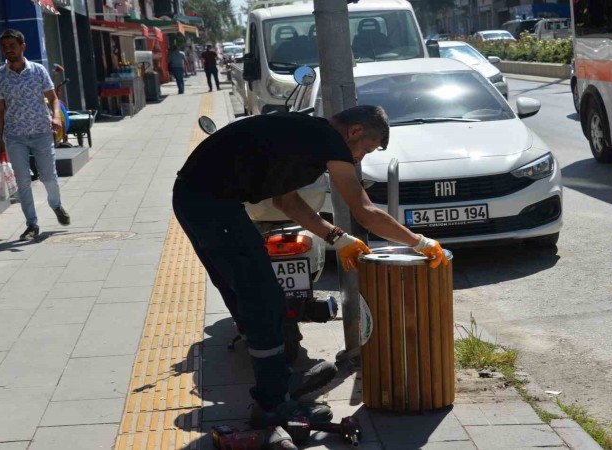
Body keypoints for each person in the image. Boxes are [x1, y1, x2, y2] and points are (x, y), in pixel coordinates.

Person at [173, 106, 447, 426]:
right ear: (355, 131)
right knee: (264, 300)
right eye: (365, 150)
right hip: (211, 205)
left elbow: (286, 201)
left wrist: (336, 237)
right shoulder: (326, 139)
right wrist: (419, 242)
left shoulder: (301, 138)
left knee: (246, 295)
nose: (359, 159)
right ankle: (272, 402)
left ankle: (275, 383)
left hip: (197, 200)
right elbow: (364, 210)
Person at [0, 29, 70, 241]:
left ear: (22, 47)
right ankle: (31, 224)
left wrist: (55, 117)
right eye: (5, 47)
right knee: (23, 181)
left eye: (12, 46)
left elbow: (53, 99)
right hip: (15, 135)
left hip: (41, 132)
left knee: (49, 176)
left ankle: (56, 204)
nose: (9, 50)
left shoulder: (38, 71)